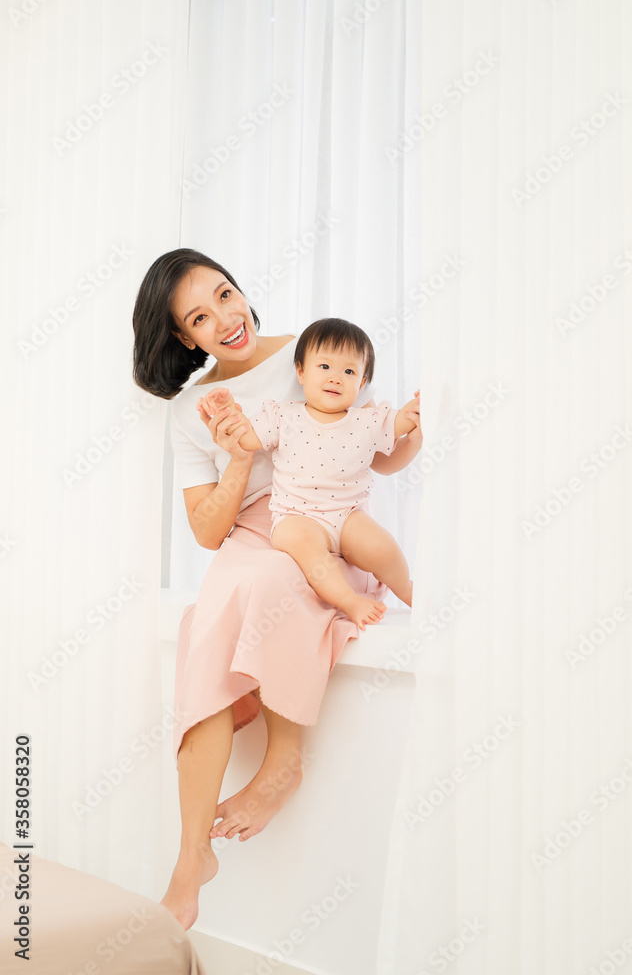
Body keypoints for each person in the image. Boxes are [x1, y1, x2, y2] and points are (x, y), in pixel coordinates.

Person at [132, 248, 422, 931]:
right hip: (249, 535)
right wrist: (237, 456)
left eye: (225, 295)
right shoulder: (191, 409)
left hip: (322, 529)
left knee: (269, 582)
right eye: (200, 318)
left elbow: (368, 439)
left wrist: (409, 423)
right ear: (184, 337)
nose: (224, 319)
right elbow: (208, 531)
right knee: (206, 625)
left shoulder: (309, 353)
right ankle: (189, 856)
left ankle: (282, 760)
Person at [198, 318, 418, 630]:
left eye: (349, 371)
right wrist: (227, 413)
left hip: (347, 514)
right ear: (301, 372)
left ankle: (407, 589)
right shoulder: (283, 415)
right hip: (295, 516)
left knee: (383, 546)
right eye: (324, 367)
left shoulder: (367, 420)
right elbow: (246, 437)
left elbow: (402, 424)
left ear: (362, 382)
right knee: (308, 550)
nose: (336, 378)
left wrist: (419, 412)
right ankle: (348, 600)